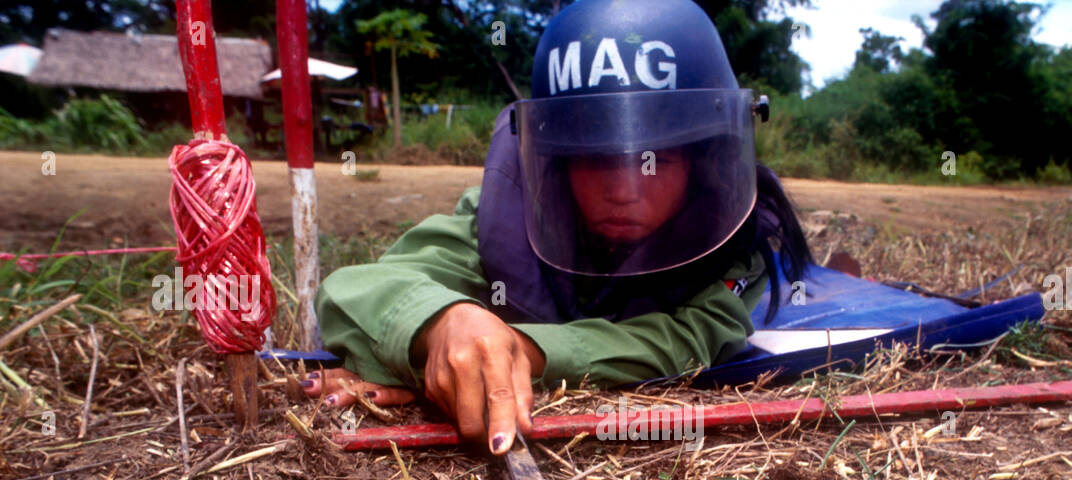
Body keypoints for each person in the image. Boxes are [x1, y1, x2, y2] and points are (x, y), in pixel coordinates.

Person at [305, 0, 811, 455]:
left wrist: (516, 352)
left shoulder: (733, 241)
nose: (623, 190)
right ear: (553, 160)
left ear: (704, 161)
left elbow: (685, 339)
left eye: (657, 159)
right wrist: (440, 327)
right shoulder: (507, 217)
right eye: (593, 158)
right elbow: (362, 289)